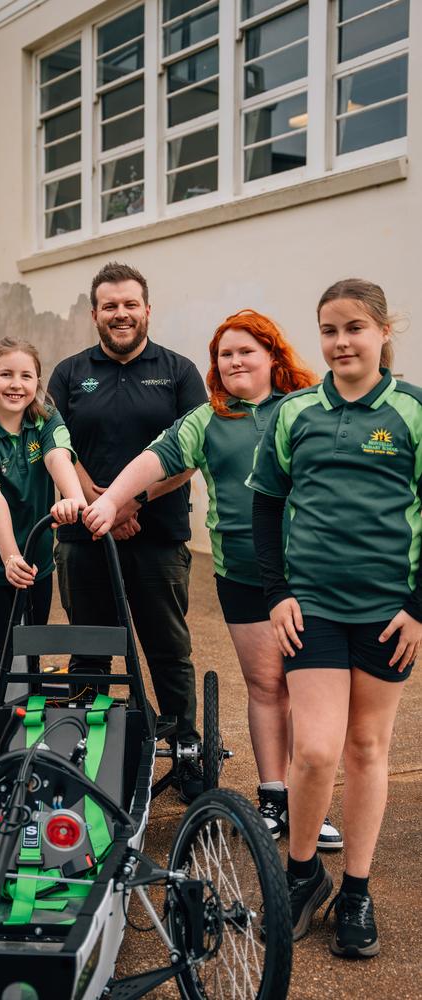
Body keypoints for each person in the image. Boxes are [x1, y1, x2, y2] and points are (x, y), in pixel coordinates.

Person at [80, 309, 341, 848]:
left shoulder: (307, 409)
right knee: (266, 686)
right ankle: (273, 797)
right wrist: (108, 501)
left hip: (315, 574)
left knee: (309, 692)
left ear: (273, 356)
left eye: (246, 351)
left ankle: (310, 806)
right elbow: (154, 460)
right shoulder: (208, 419)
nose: (235, 362)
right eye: (224, 355)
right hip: (243, 574)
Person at [247, 279, 421, 958]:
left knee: (368, 749)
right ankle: (301, 875)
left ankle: (356, 890)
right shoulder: (296, 412)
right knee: (315, 752)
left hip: (387, 613)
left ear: (383, 330)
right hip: (312, 606)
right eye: (329, 329)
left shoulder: (409, 411)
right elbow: (266, 506)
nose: (341, 342)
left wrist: (416, 610)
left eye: (354, 328)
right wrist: (277, 593)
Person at [48, 261, 207, 803]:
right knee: (89, 651)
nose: (121, 313)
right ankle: (81, 758)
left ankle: (185, 753)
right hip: (84, 537)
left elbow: (191, 452)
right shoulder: (69, 373)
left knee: (167, 651)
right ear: (95, 313)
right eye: (109, 305)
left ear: (147, 309)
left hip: (158, 535)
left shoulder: (180, 371)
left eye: (130, 303)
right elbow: (59, 447)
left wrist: (131, 501)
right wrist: (101, 505)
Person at [0, 337, 86, 740]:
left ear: (38, 382)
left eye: (26, 375)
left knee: (29, 657)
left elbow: (57, 458)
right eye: (5, 374)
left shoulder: (45, 420)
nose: (16, 384)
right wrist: (11, 557)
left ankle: (22, 743)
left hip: (37, 565)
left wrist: (75, 499)